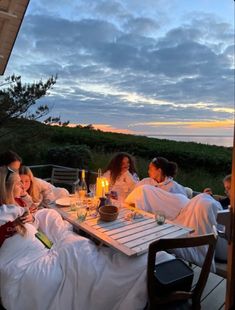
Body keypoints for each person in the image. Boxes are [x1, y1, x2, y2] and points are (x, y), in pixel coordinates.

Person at [0, 166, 174, 310]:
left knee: (86, 249)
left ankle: (145, 264)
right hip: (33, 255)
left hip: (50, 243)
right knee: (92, 265)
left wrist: (33, 218)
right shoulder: (4, 216)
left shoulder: (19, 202)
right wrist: (28, 223)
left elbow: (34, 217)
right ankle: (130, 275)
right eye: (19, 184)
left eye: (24, 183)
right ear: (6, 188)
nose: (24, 187)